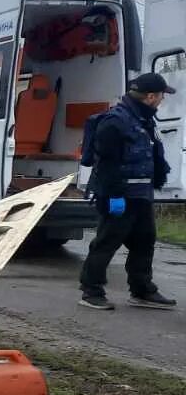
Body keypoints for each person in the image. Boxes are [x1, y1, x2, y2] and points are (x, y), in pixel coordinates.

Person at [78, 72, 177, 311]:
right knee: (107, 242)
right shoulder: (114, 121)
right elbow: (107, 163)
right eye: (162, 96)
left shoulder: (144, 120)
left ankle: (142, 290)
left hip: (141, 194)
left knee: (145, 241)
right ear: (151, 96)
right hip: (119, 194)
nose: (163, 100)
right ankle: (91, 291)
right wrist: (114, 196)